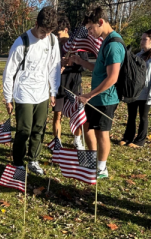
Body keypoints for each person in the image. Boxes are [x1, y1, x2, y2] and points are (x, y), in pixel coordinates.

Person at [3, 6, 61, 175]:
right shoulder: (21, 42)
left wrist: (53, 92)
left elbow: (54, 67)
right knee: (24, 130)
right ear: (36, 24)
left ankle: (33, 159)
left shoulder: (52, 41)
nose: (45, 35)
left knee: (39, 129)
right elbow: (9, 71)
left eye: (49, 32)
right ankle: (18, 162)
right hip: (23, 93)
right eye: (43, 31)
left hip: (42, 93)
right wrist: (8, 97)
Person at [69, 6, 125, 179]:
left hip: (106, 99)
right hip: (95, 98)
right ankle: (91, 162)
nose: (90, 33)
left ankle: (101, 168)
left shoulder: (114, 45)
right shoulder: (106, 41)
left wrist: (89, 95)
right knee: (87, 127)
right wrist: (79, 61)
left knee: (102, 133)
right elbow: (99, 69)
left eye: (91, 28)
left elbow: (112, 78)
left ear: (101, 22)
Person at [119, 29, 151, 148]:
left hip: (147, 93)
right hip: (135, 92)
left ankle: (140, 141)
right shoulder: (139, 55)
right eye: (141, 39)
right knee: (131, 115)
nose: (141, 41)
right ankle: (128, 137)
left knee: (143, 116)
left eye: (144, 39)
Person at [53, 16, 88, 149]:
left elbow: (84, 67)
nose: (57, 37)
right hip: (59, 85)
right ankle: (57, 141)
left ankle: (77, 140)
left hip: (74, 84)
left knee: (76, 114)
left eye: (58, 33)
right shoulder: (56, 45)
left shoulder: (78, 44)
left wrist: (71, 62)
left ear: (66, 30)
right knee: (57, 114)